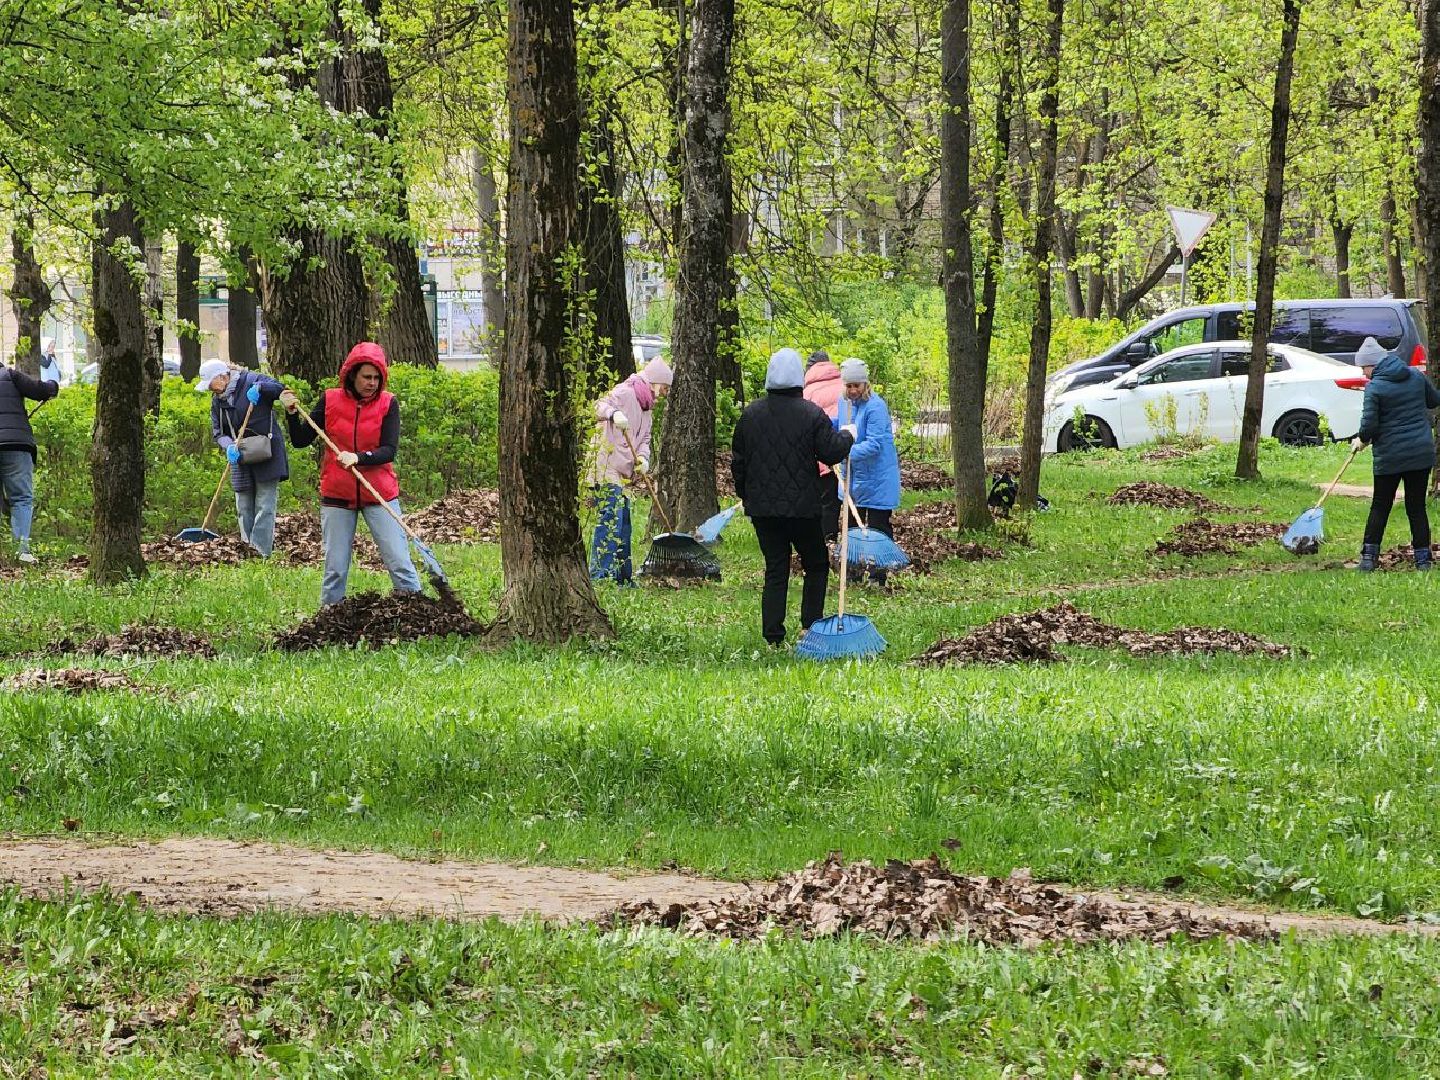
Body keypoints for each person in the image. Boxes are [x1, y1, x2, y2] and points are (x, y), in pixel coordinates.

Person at [279, 342, 423, 605]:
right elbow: (301, 440)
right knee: (335, 568)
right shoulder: (330, 400)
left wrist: (359, 457)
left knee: (399, 562)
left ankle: (416, 610)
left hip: (379, 493)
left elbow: (389, 450)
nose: (372, 383)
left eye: (377, 377)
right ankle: (329, 618)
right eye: (366, 377)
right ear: (352, 375)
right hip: (337, 495)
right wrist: (290, 414)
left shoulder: (388, 404)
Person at [731, 348, 854, 645]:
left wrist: (747, 496)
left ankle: (772, 633)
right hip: (803, 509)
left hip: (763, 510)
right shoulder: (811, 414)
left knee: (776, 567)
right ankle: (810, 625)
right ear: (799, 378)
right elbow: (831, 451)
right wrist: (848, 436)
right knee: (815, 564)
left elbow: (739, 463)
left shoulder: (750, 416)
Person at [1351, 336, 1440, 571]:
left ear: (1373, 365)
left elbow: (1369, 426)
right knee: (1416, 507)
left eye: (1364, 368)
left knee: (1380, 505)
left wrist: (1362, 439)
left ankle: (1369, 559)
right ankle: (1423, 560)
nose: (1363, 373)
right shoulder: (1415, 376)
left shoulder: (1375, 387)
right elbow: (1434, 400)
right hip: (1420, 453)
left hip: (1390, 456)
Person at [588, 357, 675, 585]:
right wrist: (613, 414)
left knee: (624, 523)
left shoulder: (647, 407)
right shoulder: (626, 392)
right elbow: (597, 405)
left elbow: (645, 439)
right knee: (611, 519)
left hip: (624, 470)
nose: (665, 393)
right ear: (655, 382)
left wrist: (644, 458)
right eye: (665, 387)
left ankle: (622, 577)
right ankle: (601, 575)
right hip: (606, 464)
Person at [199, 358, 288, 557]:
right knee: (244, 505)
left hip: (266, 451)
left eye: (211, 384)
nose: (211, 391)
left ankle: (260, 553)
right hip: (240, 456)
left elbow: (279, 388)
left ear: (223, 376)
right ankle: (247, 548)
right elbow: (218, 431)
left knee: (265, 506)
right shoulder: (217, 402)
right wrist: (227, 445)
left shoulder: (251, 380)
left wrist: (261, 388)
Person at [834, 358, 902, 583]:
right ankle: (852, 571)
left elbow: (875, 445)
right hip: (853, 478)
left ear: (865, 384)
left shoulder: (876, 407)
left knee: (878, 527)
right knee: (851, 526)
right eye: (849, 385)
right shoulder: (844, 403)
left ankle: (879, 574)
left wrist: (844, 452)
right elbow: (840, 426)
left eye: (857, 385)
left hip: (877, 478)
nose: (853, 390)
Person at [0, 360, 58, 563]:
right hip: (16, 445)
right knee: (21, 498)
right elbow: (41, 390)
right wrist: (53, 385)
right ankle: (21, 550)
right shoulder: (10, 375)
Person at [803, 349, 843, 540]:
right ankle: (851, 540)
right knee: (846, 495)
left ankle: (828, 537)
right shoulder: (844, 384)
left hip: (822, 454)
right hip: (845, 449)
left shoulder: (807, 391)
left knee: (827, 499)